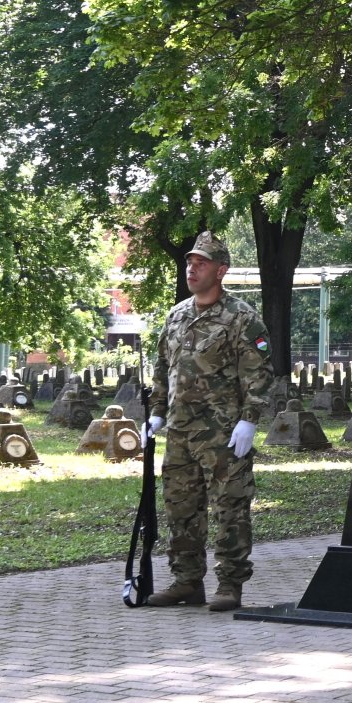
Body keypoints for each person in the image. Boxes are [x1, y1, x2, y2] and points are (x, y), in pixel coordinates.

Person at [144, 231, 272, 612]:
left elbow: (257, 374)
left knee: (229, 508)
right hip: (181, 431)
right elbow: (162, 368)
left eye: (200, 263)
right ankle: (187, 582)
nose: (192, 269)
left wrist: (250, 419)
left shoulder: (241, 318)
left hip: (223, 433)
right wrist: (156, 411)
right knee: (180, 507)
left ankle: (230, 584)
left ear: (221, 270)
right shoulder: (178, 315)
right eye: (189, 262)